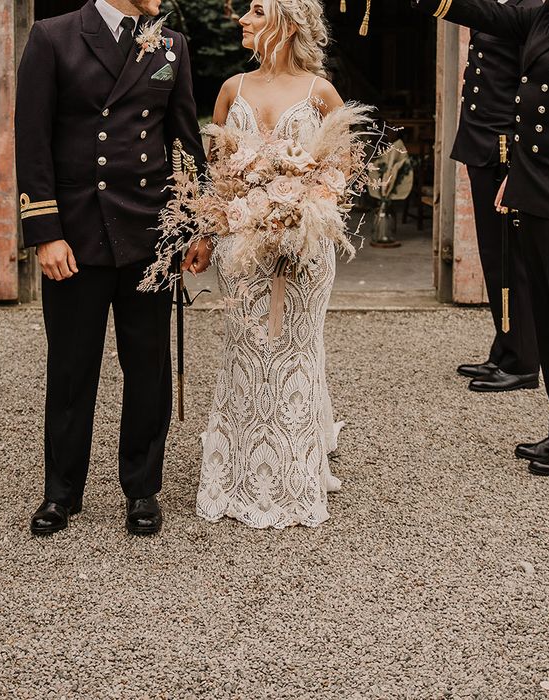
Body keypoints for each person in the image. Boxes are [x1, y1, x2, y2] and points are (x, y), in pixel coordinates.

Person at [15, 0, 208, 535]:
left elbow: (184, 139)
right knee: (73, 367)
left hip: (150, 236)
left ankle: (143, 488)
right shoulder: (53, 37)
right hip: (75, 236)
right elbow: (32, 141)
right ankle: (61, 493)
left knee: (147, 366)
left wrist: (195, 224)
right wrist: (45, 232)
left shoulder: (171, 44)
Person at [413, 0, 549, 477]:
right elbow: (481, 13)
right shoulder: (545, 16)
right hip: (537, 187)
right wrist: (519, 176)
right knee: (548, 321)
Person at [196, 0, 346, 529]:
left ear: (286, 20)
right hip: (240, 248)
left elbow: (338, 174)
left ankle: (294, 479)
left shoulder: (321, 93)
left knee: (297, 351)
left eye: (255, 10)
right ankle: (237, 475)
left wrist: (300, 211)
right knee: (245, 349)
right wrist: (218, 227)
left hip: (304, 250)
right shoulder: (231, 88)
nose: (242, 19)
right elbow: (216, 174)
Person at [452, 0, 541, 393]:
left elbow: (531, 88)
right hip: (480, 141)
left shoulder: (531, 9)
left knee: (511, 258)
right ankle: (504, 349)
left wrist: (520, 160)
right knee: (493, 254)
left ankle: (523, 361)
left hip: (503, 147)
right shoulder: (498, 6)